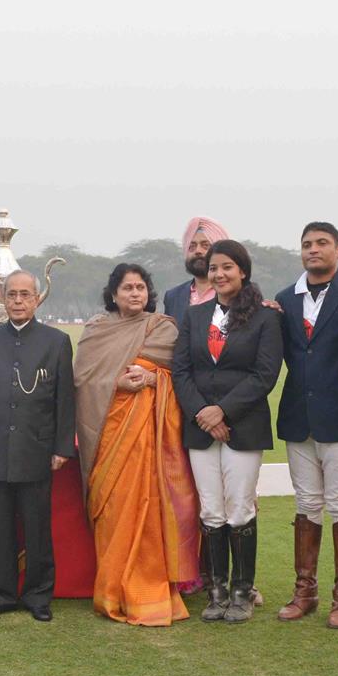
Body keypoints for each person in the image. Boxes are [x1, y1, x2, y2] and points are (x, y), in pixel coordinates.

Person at [75, 264, 195, 626]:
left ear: (149, 293)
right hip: (109, 436)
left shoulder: (163, 328)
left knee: (149, 508)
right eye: (127, 288)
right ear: (113, 294)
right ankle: (112, 588)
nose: (134, 294)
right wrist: (118, 382)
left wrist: (154, 377)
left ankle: (148, 590)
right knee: (113, 511)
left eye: (140, 288)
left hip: (150, 440)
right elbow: (82, 380)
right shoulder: (97, 330)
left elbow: (183, 376)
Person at [173, 240, 283, 624]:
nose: (220, 274)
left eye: (227, 268)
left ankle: (242, 591)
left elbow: (265, 374)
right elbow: (181, 371)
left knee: (239, 507)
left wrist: (224, 410)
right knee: (211, 509)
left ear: (243, 271)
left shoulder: (265, 317)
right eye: (215, 268)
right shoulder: (195, 316)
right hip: (201, 427)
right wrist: (203, 412)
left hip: (244, 427)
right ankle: (216, 591)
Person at [0, 270, 76, 622]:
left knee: (37, 526)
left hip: (38, 447)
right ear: (1, 297)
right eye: (11, 294)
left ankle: (39, 595)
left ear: (37, 298)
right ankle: (1, 594)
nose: (17, 301)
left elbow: (64, 400)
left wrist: (61, 447)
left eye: (25, 295)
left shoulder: (56, 342)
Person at [274, 222, 338, 628]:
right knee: (307, 504)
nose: (313, 250)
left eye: (322, 243)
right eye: (306, 244)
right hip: (297, 415)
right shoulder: (283, 300)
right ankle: (303, 591)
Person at [161, 216, 229, 597]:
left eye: (207, 246)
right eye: (194, 246)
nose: (200, 252)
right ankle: (192, 573)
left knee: (231, 497)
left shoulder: (242, 293)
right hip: (181, 406)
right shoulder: (174, 297)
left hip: (227, 410)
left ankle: (235, 581)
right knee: (185, 495)